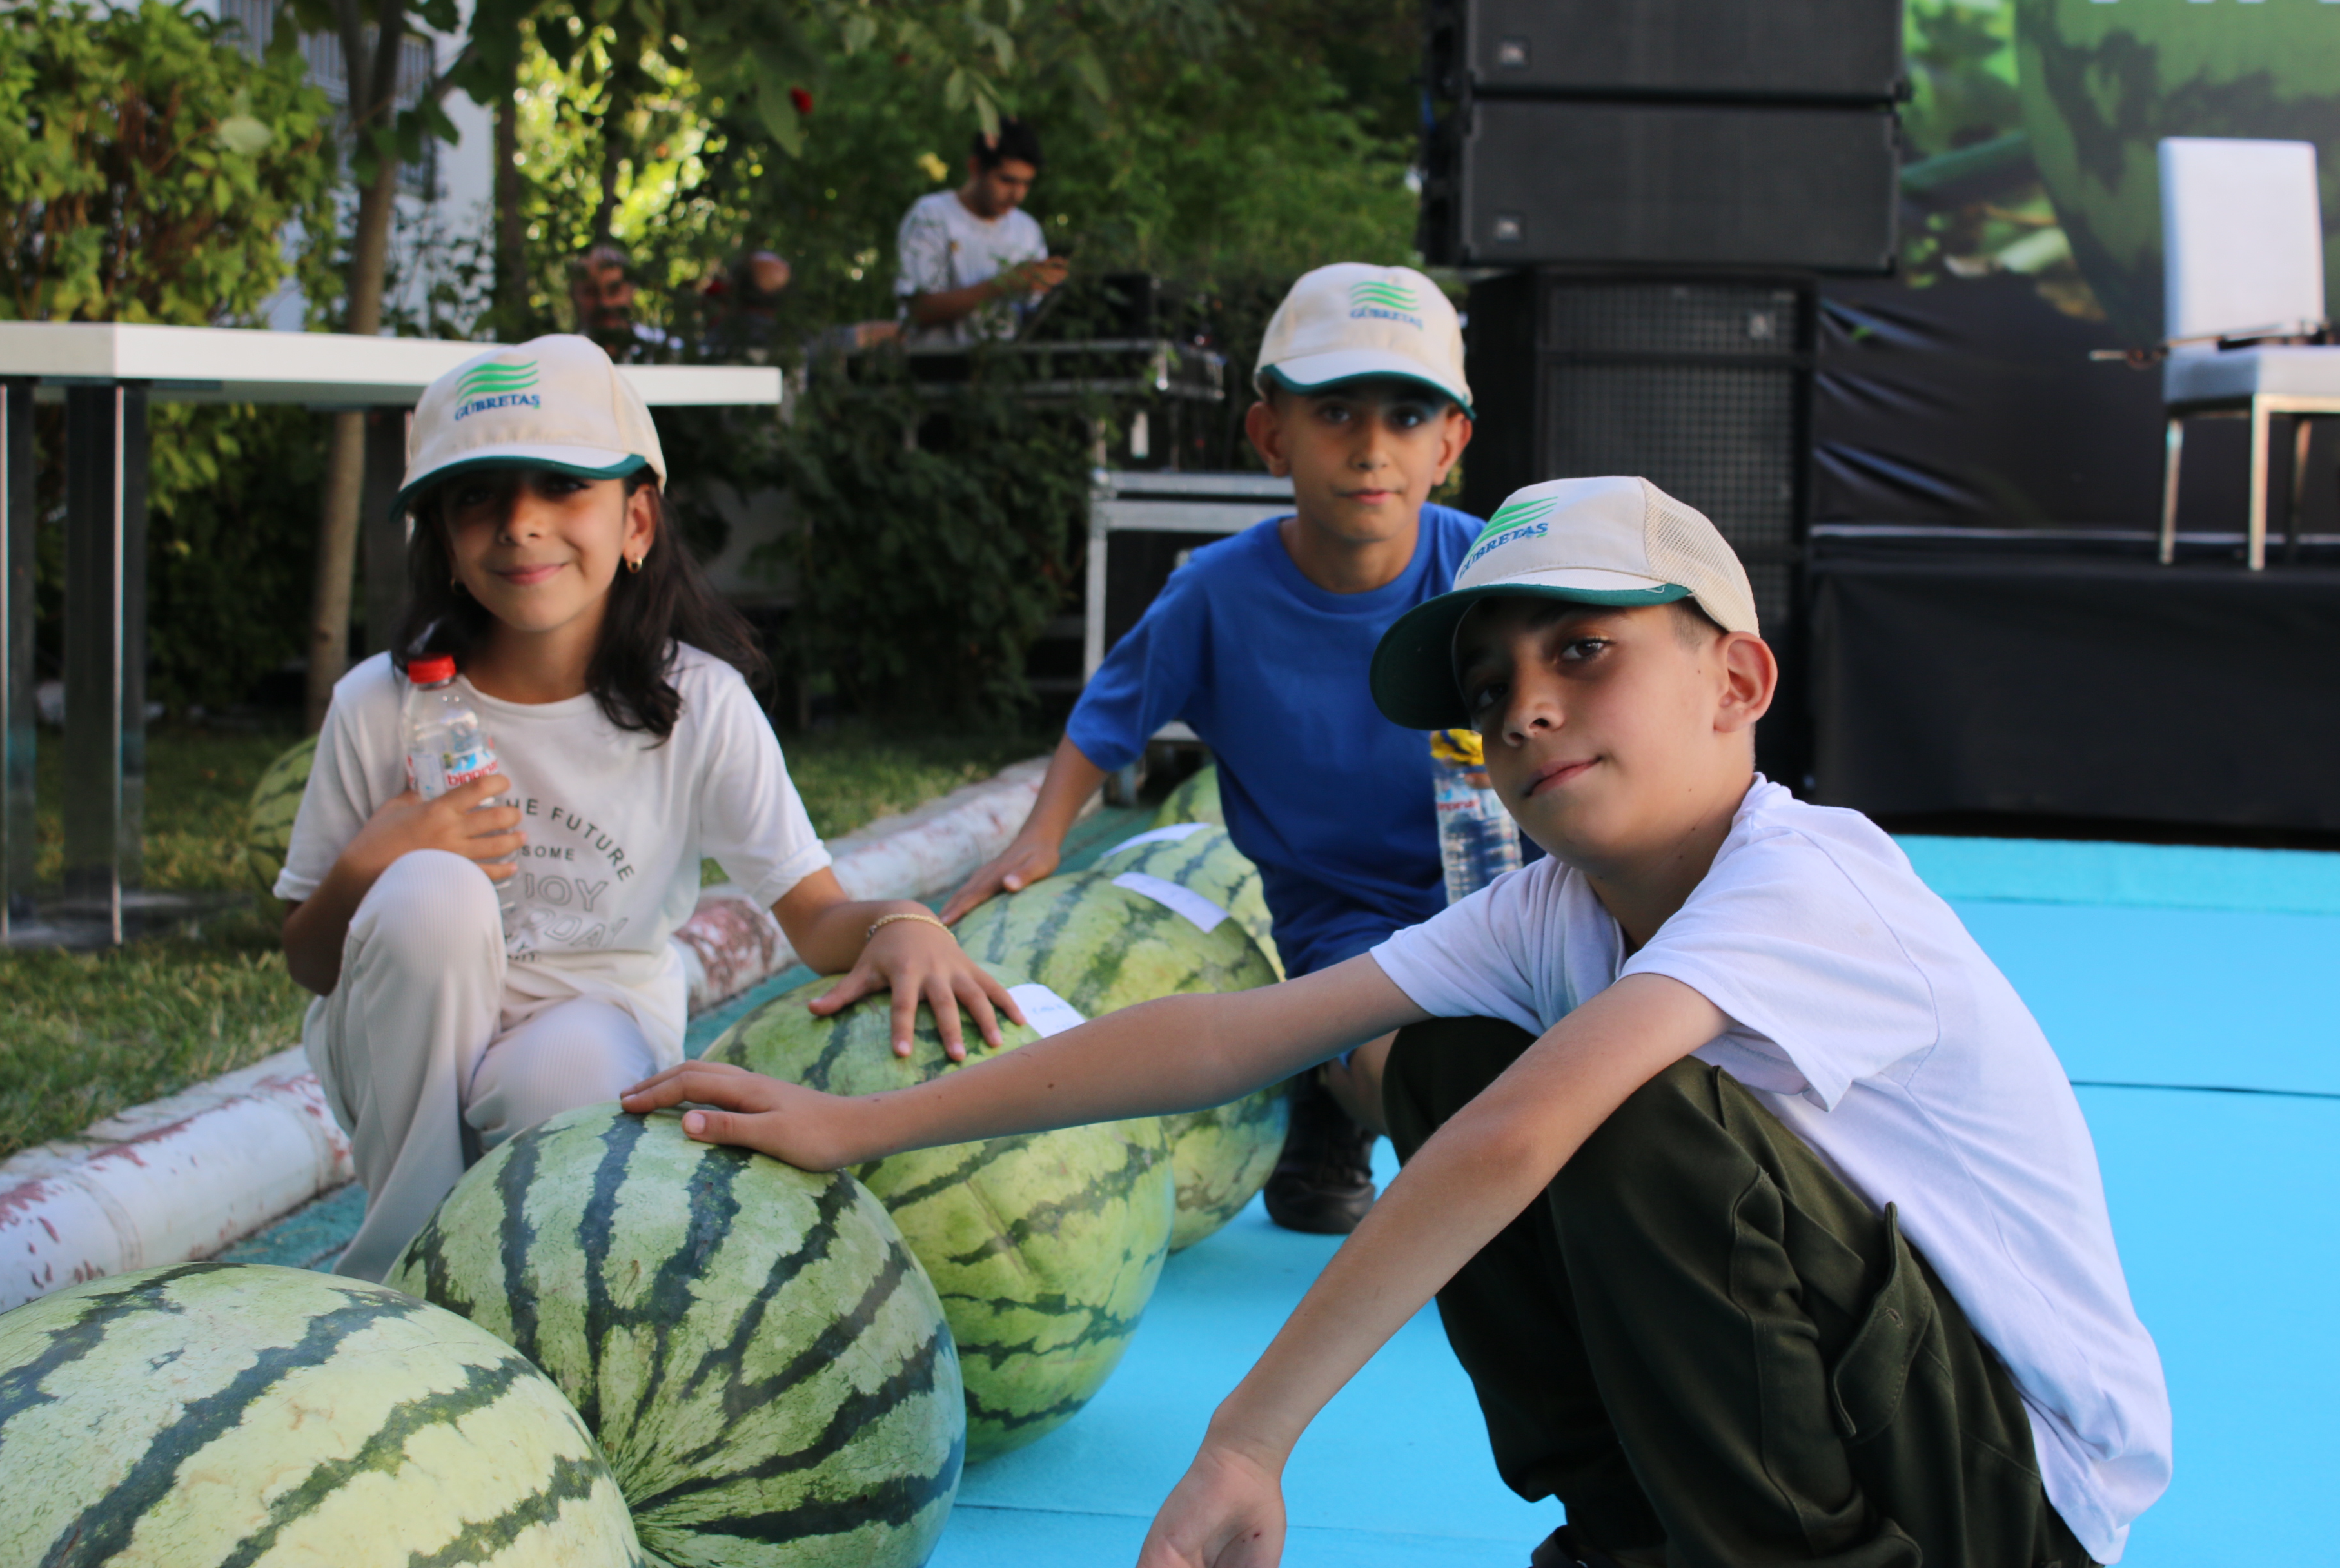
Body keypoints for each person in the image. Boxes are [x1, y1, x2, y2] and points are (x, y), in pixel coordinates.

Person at [627, 475, 2171, 1568]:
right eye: (1490, 685)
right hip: (1874, 1407)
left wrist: (1249, 1436)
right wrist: (863, 1121)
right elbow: (1237, 1037)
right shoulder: (1554, 908)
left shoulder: (1810, 881)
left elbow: (1518, 1141)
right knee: (1440, 1059)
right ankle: (1637, 1533)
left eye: (1583, 650)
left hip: (2003, 1497)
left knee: (1593, 1105)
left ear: (1738, 677)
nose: (1525, 711)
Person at [275, 334, 1021, 1282]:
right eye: (477, 497)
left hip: (593, 1024)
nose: (519, 524)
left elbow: (816, 915)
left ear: (635, 523)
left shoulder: (698, 705)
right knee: (431, 892)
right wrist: (375, 857)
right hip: (397, 1051)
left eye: (560, 486)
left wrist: (905, 925)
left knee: (575, 1062)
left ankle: (529, 1287)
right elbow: (309, 959)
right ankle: (399, 1276)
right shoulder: (379, 705)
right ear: (440, 540)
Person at [938, 261, 1483, 1235]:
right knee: (1422, 1084)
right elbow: (1106, 719)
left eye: (1406, 418)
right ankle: (1327, 1085)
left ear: (1451, 442)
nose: (1371, 449)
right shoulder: (1214, 595)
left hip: (1505, 899)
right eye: (1336, 414)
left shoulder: (1487, 572)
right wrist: (1040, 835)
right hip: (1347, 926)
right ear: (1271, 433)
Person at [894, 117, 1070, 348]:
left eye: (1026, 184)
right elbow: (918, 309)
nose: (1017, 195)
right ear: (975, 168)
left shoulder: (1027, 228)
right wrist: (1005, 284)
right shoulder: (932, 216)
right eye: (1007, 180)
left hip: (1005, 374)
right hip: (937, 371)